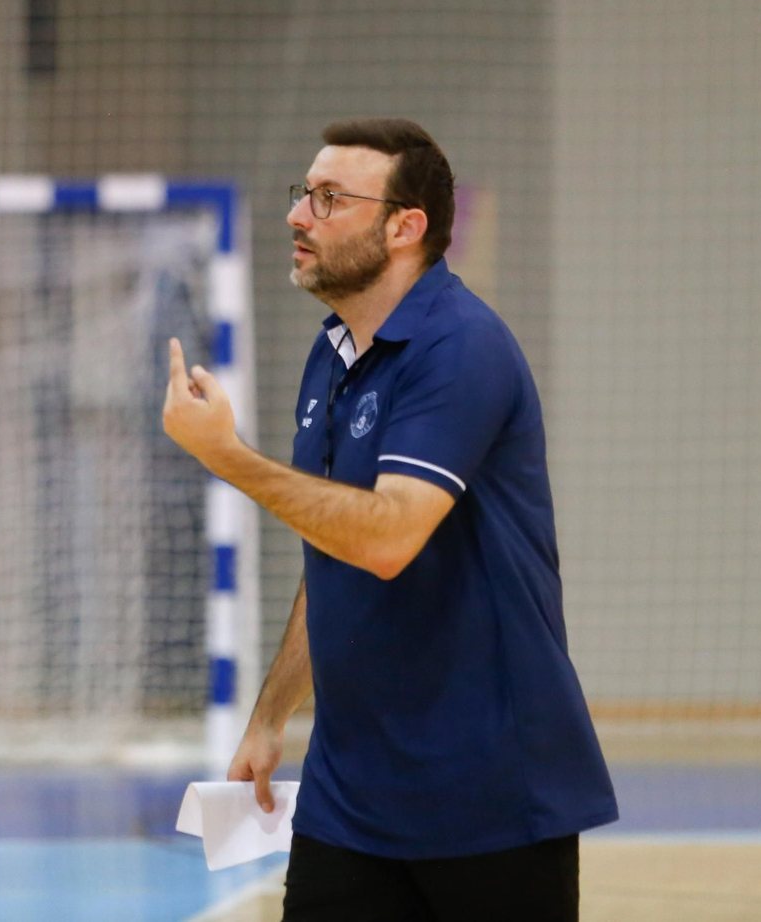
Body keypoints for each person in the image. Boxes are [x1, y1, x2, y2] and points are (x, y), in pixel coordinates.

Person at [163, 119, 615, 921]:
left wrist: (228, 457)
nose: (300, 215)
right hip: (353, 792)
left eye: (330, 199)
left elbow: (386, 538)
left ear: (405, 227)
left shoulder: (462, 347)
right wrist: (271, 718)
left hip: (489, 790)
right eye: (304, 193)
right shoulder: (333, 353)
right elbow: (333, 547)